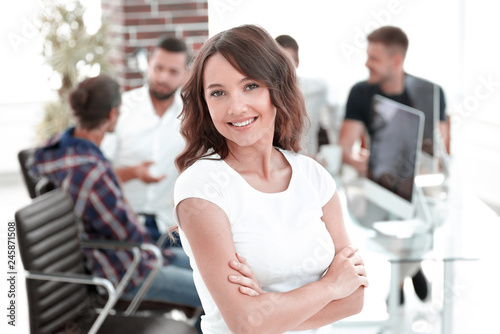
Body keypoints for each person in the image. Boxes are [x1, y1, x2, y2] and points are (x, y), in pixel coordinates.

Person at [173, 25, 368, 334]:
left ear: (276, 89)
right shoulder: (202, 188)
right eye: (218, 92)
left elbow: (355, 297)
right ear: (205, 103)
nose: (236, 107)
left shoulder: (313, 177)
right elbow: (246, 322)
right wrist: (330, 286)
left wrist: (265, 307)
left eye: (250, 86)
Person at [30, 75, 201, 309]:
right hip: (122, 273)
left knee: (202, 264)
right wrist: (159, 254)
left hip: (98, 259)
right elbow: (127, 235)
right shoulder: (93, 171)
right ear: (112, 115)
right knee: (211, 289)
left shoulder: (55, 149)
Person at [338, 26, 441, 305]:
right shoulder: (361, 92)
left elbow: (441, 155)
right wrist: (359, 161)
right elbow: (346, 148)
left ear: (396, 61)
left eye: (374, 58)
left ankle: (398, 280)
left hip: (415, 182)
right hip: (379, 179)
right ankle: (412, 267)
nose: (366, 63)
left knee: (428, 219)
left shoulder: (429, 93)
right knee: (380, 223)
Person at [100, 36, 189, 244]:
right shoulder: (121, 109)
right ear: (148, 65)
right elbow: (99, 172)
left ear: (185, 74)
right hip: (124, 226)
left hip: (172, 229)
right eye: (158, 68)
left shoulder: (191, 116)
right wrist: (133, 173)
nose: (163, 77)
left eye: (173, 71)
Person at [275, 34, 331, 156]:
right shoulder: (265, 94)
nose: (283, 68)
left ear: (297, 63)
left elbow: (335, 113)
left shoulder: (318, 88)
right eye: (278, 61)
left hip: (310, 163)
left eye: (288, 61)